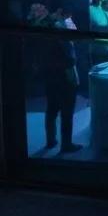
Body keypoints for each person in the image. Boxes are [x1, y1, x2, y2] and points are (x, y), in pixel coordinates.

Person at [41, 17, 82, 153]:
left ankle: (50, 140)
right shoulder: (64, 39)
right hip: (65, 79)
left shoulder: (47, 35)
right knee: (67, 112)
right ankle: (66, 144)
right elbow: (70, 61)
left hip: (50, 77)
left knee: (51, 109)